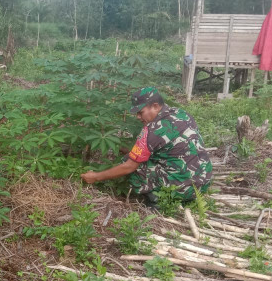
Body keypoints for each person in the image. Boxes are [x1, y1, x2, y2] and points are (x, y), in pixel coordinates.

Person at [81, 87, 212, 207]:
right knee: (140, 159)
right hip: (203, 181)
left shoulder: (152, 130)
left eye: (140, 112)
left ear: (155, 106)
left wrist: (96, 176)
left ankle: (157, 200)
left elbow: (128, 167)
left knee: (130, 164)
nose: (138, 117)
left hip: (182, 188)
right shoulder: (182, 114)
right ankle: (185, 196)